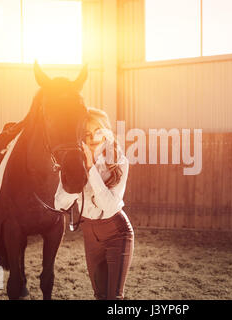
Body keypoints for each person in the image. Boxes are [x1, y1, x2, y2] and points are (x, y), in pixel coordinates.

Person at [55, 107, 134, 300]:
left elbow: (108, 206)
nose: (92, 137)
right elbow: (58, 204)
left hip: (117, 232)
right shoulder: (72, 164)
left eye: (97, 131)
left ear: (106, 132)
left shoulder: (119, 162)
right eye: (86, 133)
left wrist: (90, 169)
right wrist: (75, 177)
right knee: (99, 295)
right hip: (90, 234)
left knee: (114, 298)